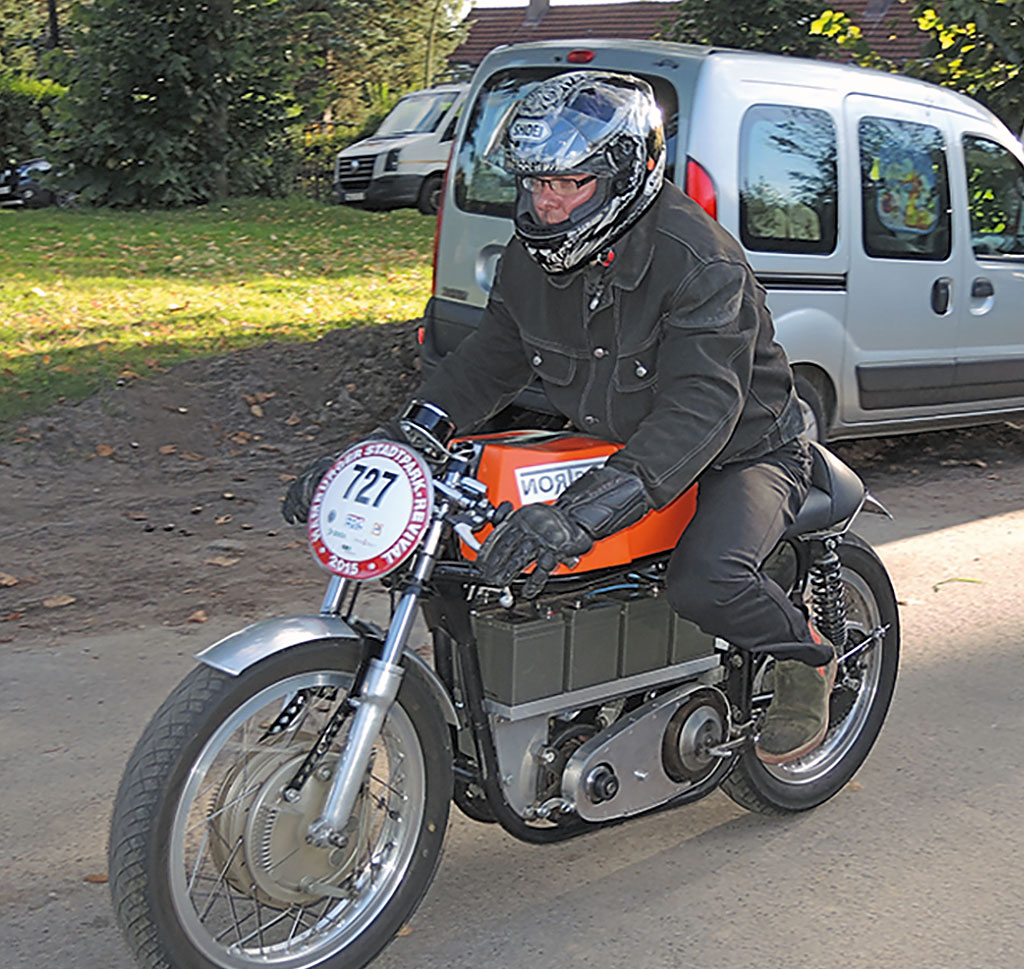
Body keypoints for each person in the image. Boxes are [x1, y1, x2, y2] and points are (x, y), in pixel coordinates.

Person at [283, 70, 837, 765]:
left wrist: (580, 513)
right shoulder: (533, 257)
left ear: (624, 174)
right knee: (466, 547)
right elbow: (488, 361)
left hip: (744, 449)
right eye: (535, 183)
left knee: (707, 579)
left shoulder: (701, 264)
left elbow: (702, 409)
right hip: (618, 437)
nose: (546, 203)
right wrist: (398, 440)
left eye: (568, 184)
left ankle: (805, 656)